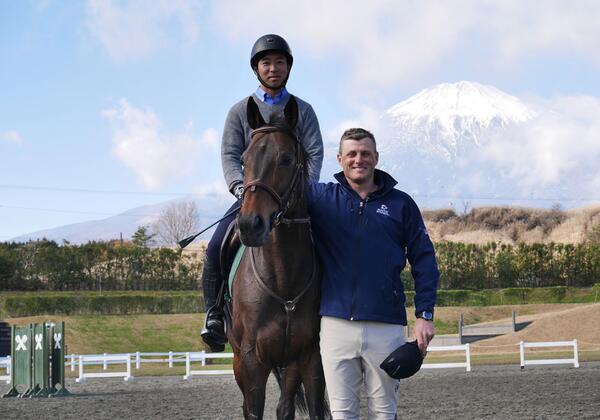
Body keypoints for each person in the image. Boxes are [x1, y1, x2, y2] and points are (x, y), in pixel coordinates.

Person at [200, 34, 324, 351]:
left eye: (279, 62)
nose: (273, 68)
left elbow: (314, 154)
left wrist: (302, 193)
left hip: (295, 199)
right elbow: (230, 156)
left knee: (331, 238)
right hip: (252, 197)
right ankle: (214, 315)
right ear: (257, 69)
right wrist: (241, 188)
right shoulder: (239, 111)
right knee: (215, 247)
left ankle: (333, 311)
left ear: (288, 67)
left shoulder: (303, 110)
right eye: (266, 63)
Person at [307, 128, 439, 419]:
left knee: (384, 412)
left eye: (365, 153)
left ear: (376, 157)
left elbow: (425, 260)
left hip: (386, 325)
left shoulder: (401, 204)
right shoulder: (318, 198)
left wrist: (424, 315)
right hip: (335, 324)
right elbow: (279, 194)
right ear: (340, 159)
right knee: (342, 414)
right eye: (351, 154)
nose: (359, 159)